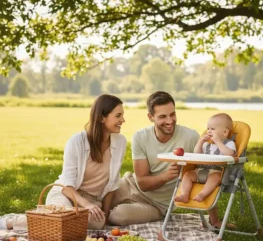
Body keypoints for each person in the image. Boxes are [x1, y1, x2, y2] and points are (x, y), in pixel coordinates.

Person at [0, 94, 126, 231]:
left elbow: (113, 185)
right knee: (63, 217)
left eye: (122, 115)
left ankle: (45, 218)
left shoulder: (120, 142)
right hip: (65, 193)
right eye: (118, 116)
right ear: (102, 117)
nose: (123, 120)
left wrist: (105, 219)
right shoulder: (77, 141)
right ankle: (10, 222)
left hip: (91, 200)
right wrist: (87, 205)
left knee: (96, 224)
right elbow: (67, 186)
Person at [108, 91, 200, 226]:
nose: (169, 121)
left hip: (157, 205)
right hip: (130, 186)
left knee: (117, 216)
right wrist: (166, 176)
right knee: (98, 197)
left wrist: (215, 221)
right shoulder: (140, 137)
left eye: (172, 114)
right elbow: (143, 184)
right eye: (163, 116)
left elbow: (205, 175)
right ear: (150, 117)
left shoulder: (191, 137)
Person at [174, 113, 236, 228]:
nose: (208, 131)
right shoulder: (206, 144)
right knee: (187, 174)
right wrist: (200, 142)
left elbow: (230, 154)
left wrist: (218, 142)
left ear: (225, 132)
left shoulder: (229, 143)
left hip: (216, 172)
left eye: (212, 129)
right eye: (207, 128)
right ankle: (185, 194)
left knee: (215, 177)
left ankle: (203, 194)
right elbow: (196, 155)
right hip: (201, 170)